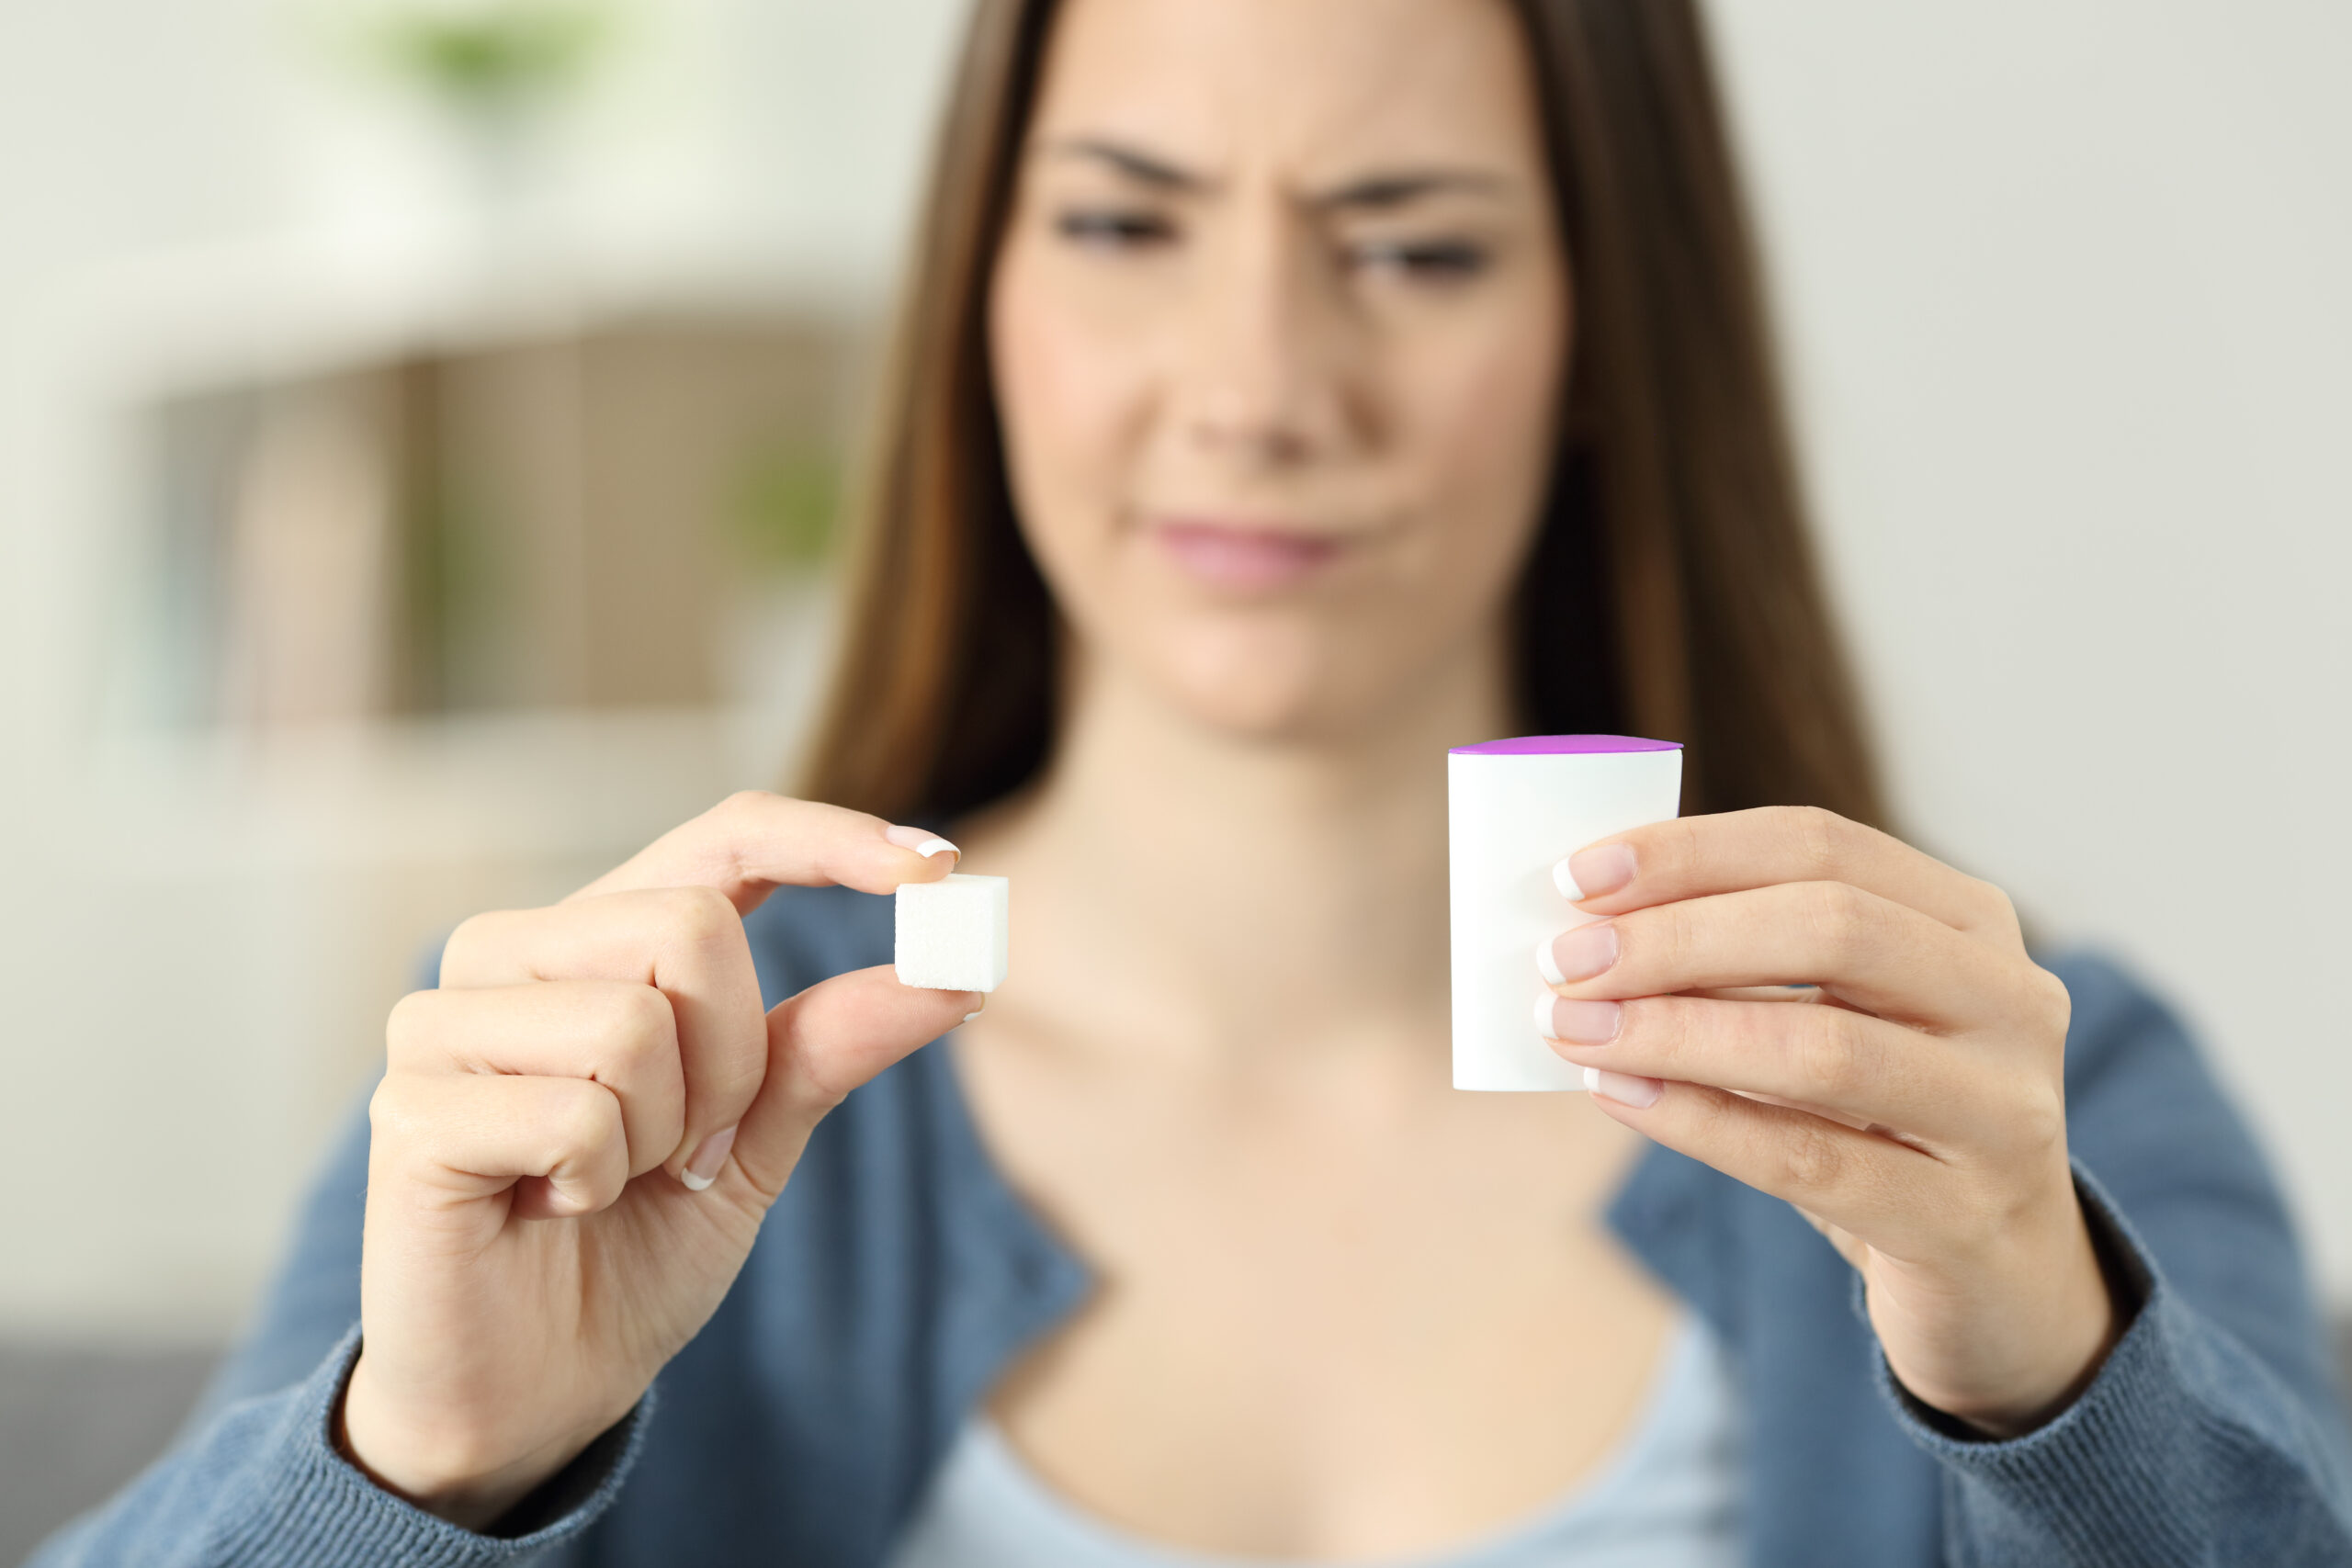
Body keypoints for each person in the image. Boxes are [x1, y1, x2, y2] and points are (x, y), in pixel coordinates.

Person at [35, 1, 2352, 1563]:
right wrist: (421, 1470)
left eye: (1414, 246)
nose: (1251, 383)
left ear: (1593, 334)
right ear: (980, 300)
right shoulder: (610, 1084)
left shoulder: (2013, 1103)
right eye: (1127, 223)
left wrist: (2059, 1383)